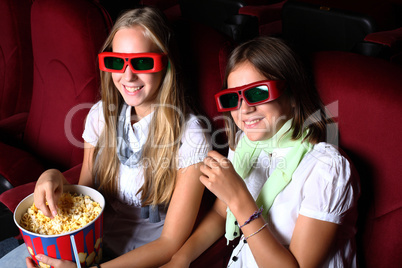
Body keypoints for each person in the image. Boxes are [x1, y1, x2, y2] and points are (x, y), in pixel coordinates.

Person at [0, 6, 211, 268]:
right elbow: (86, 195)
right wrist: (52, 176)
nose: (127, 75)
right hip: (86, 243)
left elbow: (169, 244)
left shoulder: (191, 136)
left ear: (166, 64)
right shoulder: (101, 115)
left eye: (142, 62)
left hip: (139, 257)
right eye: (115, 62)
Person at [163, 36, 360, 267]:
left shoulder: (328, 168)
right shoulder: (244, 143)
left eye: (258, 93)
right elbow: (220, 213)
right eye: (232, 98)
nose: (244, 109)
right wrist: (180, 259)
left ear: (293, 95)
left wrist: (239, 199)